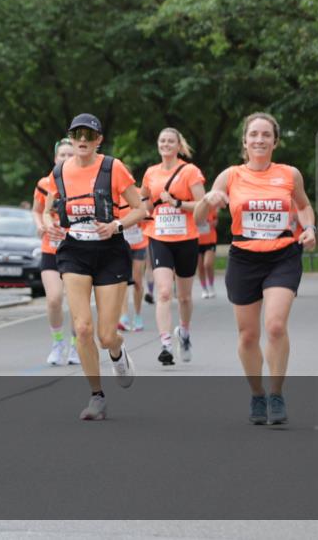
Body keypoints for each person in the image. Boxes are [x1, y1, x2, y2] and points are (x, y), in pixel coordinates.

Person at [195, 112, 316, 425]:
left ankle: (276, 394)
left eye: (266, 135)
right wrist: (208, 199)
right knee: (248, 335)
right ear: (245, 142)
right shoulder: (231, 175)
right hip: (244, 257)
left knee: (275, 326)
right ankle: (257, 394)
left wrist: (310, 228)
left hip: (282, 255)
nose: (259, 140)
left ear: (275, 141)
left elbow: (303, 206)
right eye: (254, 135)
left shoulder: (289, 174)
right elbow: (197, 217)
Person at [42, 114, 146, 421]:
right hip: (74, 250)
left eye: (89, 134)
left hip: (110, 251)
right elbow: (47, 211)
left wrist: (116, 225)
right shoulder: (59, 170)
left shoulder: (113, 168)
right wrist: (50, 227)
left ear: (99, 139)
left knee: (105, 335)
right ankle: (97, 396)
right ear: (70, 138)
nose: (83, 140)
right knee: (83, 328)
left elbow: (140, 209)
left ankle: (117, 352)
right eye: (77, 134)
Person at [140, 128, 206, 366]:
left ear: (179, 146)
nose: (166, 144)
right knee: (165, 292)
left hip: (186, 238)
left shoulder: (190, 171)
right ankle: (166, 343)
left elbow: (203, 205)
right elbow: (146, 201)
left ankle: (184, 333)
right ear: (158, 145)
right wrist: (141, 207)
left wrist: (177, 202)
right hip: (159, 237)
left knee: (185, 296)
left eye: (170, 141)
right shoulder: (150, 173)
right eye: (162, 141)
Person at [32, 138, 80, 366]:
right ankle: (57, 342)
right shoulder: (46, 183)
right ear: (55, 158)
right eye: (62, 155)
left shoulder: (84, 183)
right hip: (51, 247)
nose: (67, 158)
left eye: (71, 154)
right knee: (53, 299)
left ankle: (75, 346)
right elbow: (39, 210)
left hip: (79, 249)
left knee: (76, 302)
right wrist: (42, 224)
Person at [117, 195, 151, 332]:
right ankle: (124, 317)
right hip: (121, 245)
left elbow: (147, 215)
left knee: (137, 281)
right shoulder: (113, 195)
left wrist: (138, 218)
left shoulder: (137, 194)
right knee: (122, 281)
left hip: (138, 244)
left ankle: (137, 315)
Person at [197, 205, 219, 299]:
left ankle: (211, 285)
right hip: (196, 241)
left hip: (210, 240)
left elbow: (216, 222)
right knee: (200, 266)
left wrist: (209, 224)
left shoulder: (211, 209)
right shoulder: (195, 210)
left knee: (207, 264)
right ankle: (204, 288)